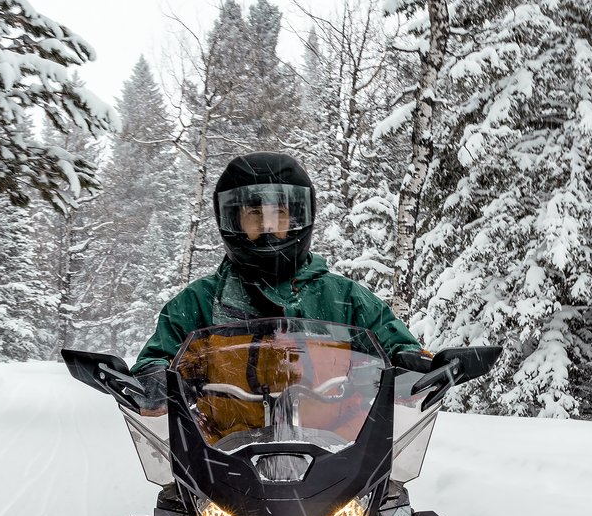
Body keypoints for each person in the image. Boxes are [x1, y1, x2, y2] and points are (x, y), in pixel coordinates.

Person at [132, 152, 430, 375]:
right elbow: (156, 358)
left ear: (299, 218)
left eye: (279, 215)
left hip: (332, 449)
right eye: (255, 215)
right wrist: (154, 377)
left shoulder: (344, 298)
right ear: (234, 220)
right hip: (222, 451)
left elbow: (394, 342)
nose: (268, 227)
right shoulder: (200, 301)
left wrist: (411, 361)